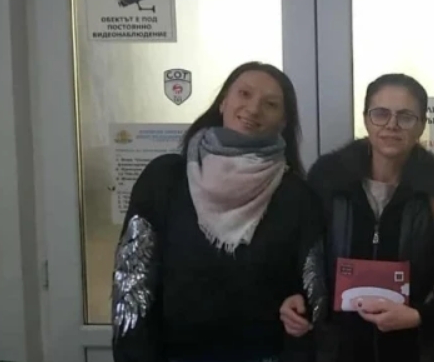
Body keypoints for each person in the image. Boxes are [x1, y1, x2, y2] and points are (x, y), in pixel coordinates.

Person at [111, 61, 326, 362]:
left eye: (270, 104)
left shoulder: (298, 196)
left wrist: (300, 311)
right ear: (224, 101)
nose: (253, 109)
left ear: (283, 122)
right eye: (244, 94)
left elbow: (310, 295)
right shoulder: (164, 180)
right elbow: (133, 281)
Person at [281, 73, 434, 362]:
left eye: (406, 116)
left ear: (421, 125)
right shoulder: (327, 187)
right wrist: (293, 298)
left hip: (418, 351)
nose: (392, 125)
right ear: (366, 119)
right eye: (381, 113)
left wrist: (419, 315)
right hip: (338, 351)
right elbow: (301, 259)